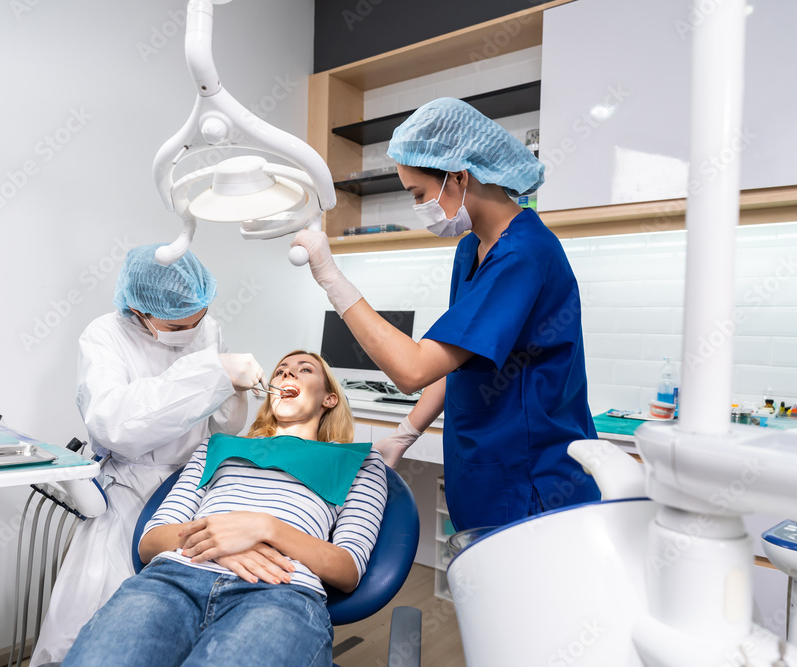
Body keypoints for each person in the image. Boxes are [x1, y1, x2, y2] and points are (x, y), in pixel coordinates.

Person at [291, 97, 600, 532]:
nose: (419, 208)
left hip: (532, 478)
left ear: (458, 175)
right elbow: (452, 361)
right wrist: (405, 432)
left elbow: (413, 369)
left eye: (419, 194)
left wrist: (331, 278)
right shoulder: (471, 249)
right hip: (480, 465)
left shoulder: (524, 255)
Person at [61, 351, 387, 667]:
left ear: (329, 398)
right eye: (281, 369)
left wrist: (264, 528)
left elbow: (347, 571)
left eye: (304, 369)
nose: (287, 373)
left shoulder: (359, 461)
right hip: (173, 579)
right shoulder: (217, 446)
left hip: (278, 594)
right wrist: (219, 543)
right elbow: (151, 541)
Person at [32, 244, 269, 666]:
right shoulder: (106, 335)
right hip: (130, 494)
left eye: (197, 320)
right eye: (178, 325)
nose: (191, 332)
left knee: (190, 619)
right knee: (109, 620)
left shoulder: (207, 328)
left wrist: (231, 391)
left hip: (192, 490)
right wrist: (213, 374)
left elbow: (222, 426)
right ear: (139, 310)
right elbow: (116, 424)